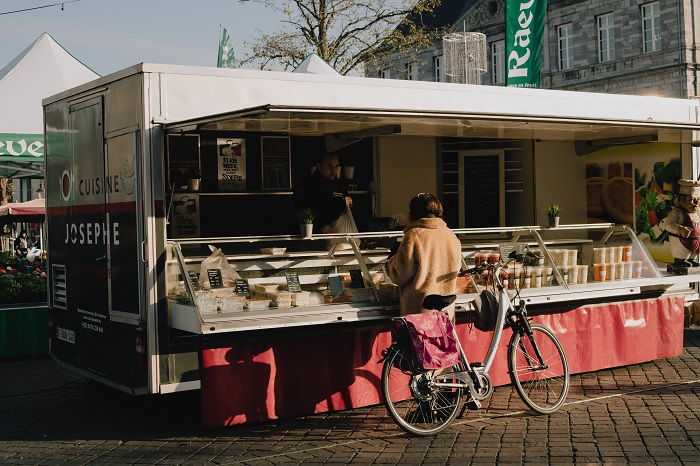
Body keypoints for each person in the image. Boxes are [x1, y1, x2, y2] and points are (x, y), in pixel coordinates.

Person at [386, 193, 463, 320]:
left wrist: (392, 259)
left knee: (418, 341)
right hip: (445, 314)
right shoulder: (451, 235)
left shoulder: (414, 235)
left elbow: (400, 275)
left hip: (419, 314)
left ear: (413, 213)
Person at [294, 153, 353, 233]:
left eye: (336, 166)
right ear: (319, 166)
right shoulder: (306, 184)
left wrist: (348, 202)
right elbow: (301, 211)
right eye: (329, 166)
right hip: (312, 236)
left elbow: (342, 205)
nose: (334, 170)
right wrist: (323, 228)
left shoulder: (340, 185)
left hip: (337, 232)